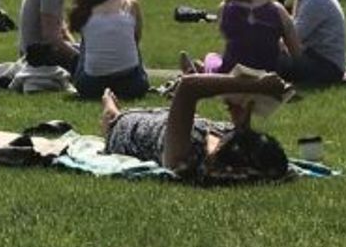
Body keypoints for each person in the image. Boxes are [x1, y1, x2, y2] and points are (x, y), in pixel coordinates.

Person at [99, 68, 295, 182]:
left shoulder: (184, 157)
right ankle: (194, 73)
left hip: (129, 129)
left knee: (112, 118)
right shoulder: (230, 147)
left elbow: (188, 87)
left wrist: (257, 85)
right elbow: (243, 139)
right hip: (175, 120)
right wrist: (241, 115)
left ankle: (108, 102)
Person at [182, 0, 300, 76]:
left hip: (233, 73)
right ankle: (201, 71)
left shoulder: (226, 8)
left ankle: (201, 71)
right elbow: (295, 51)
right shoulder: (278, 10)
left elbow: (232, 39)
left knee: (211, 57)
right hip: (269, 73)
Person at [68, 0, 150, 100]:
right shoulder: (130, 4)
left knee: (86, 43)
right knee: (130, 41)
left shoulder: (83, 9)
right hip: (133, 86)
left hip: (91, 87)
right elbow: (136, 39)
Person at [273, 0, 346, 85]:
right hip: (318, 59)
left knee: (271, 60)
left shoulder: (316, 0)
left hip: (327, 66)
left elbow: (293, 37)